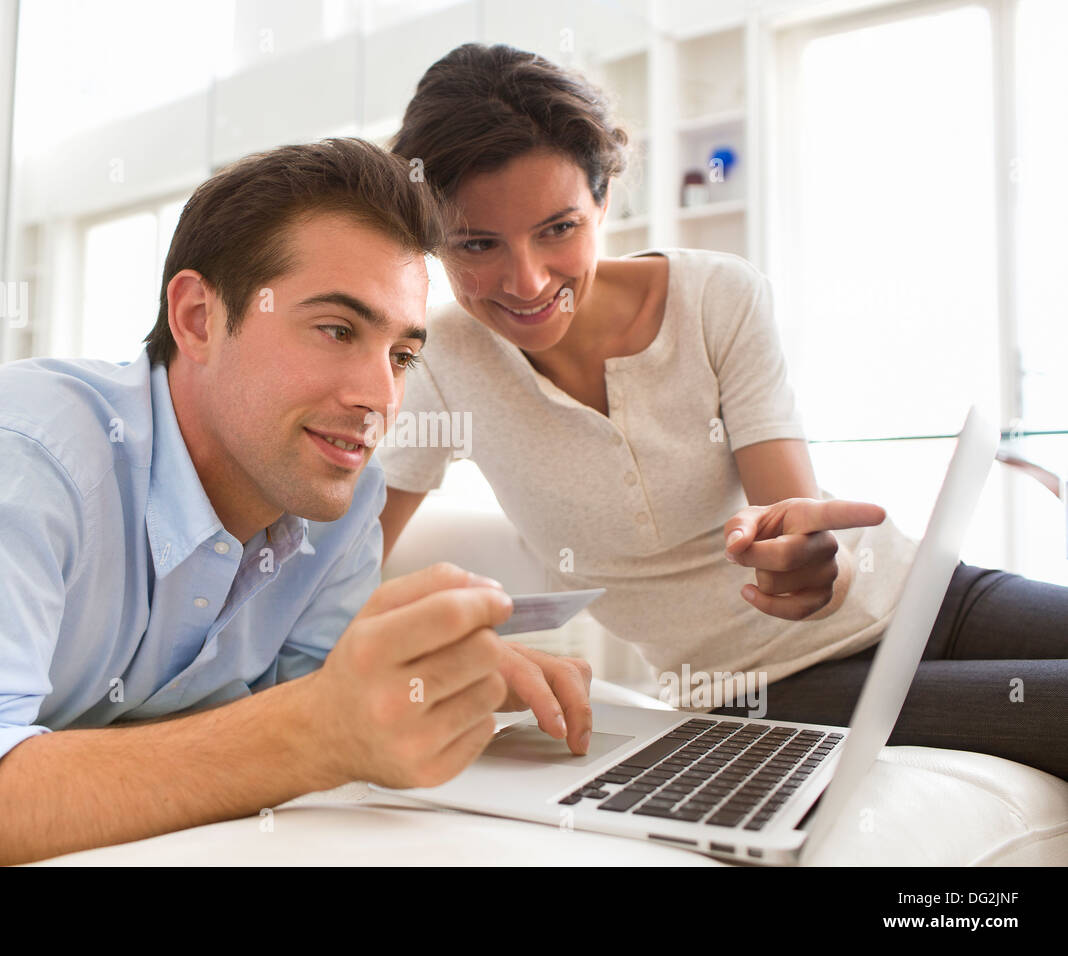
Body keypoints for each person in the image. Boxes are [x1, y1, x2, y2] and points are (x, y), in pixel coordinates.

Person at [0, 138, 593, 867]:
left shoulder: (340, 498)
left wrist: (426, 687)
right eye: (338, 330)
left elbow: (315, 704)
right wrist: (314, 731)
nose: (380, 396)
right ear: (198, 317)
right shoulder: (20, 458)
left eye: (403, 355)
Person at [375, 43, 1068, 781]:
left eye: (559, 228)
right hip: (764, 687)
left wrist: (796, 559)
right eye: (478, 244)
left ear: (604, 200)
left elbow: (789, 513)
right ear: (432, 244)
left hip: (928, 590)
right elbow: (346, 566)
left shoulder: (716, 297)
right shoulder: (441, 357)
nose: (528, 279)